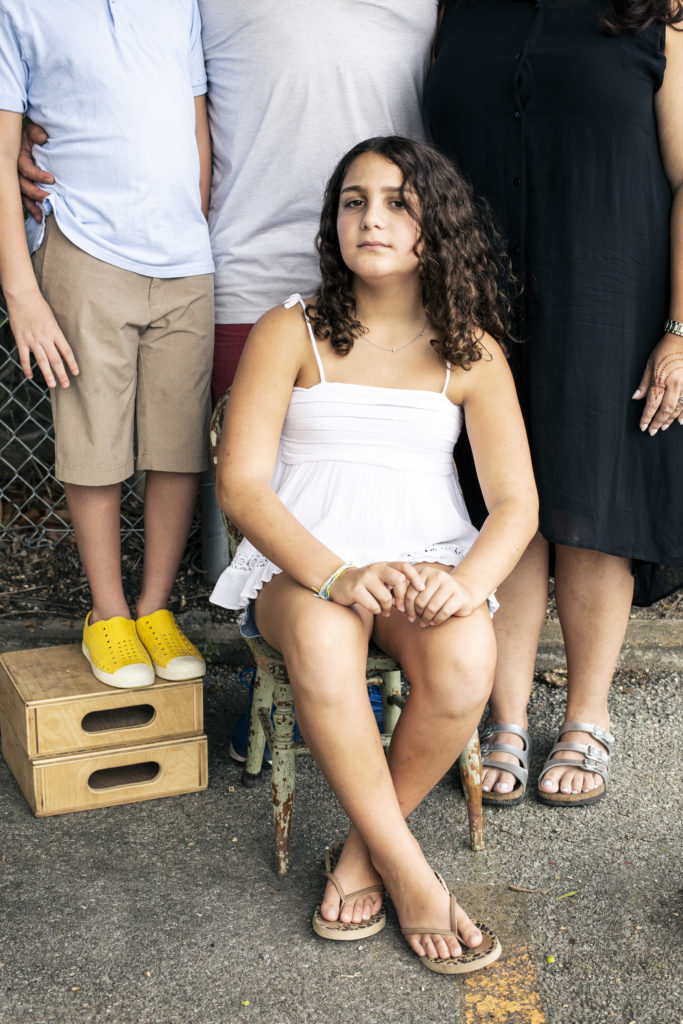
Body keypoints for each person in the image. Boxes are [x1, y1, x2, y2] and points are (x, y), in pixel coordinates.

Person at [211, 136, 538, 973]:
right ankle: (414, 876)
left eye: (396, 202)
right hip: (305, 573)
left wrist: (464, 585)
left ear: (437, 227)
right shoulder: (293, 330)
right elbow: (243, 488)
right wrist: (339, 575)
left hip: (424, 566)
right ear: (333, 223)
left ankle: (363, 856)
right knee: (324, 635)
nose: (371, 218)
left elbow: (514, 504)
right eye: (353, 202)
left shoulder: (470, 350)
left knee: (468, 659)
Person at [425, 0, 683, 807]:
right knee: (502, 503)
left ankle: (584, 715)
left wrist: (679, 327)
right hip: (479, 310)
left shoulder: (654, 19)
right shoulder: (459, 12)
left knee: (592, 501)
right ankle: (502, 714)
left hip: (611, 295)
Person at [0, 0, 214, 688]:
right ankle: (109, 613)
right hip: (84, 243)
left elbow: (194, 120)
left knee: (177, 440)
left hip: (184, 253)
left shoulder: (180, 3)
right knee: (93, 437)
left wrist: (193, 217)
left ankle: (153, 607)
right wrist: (23, 295)